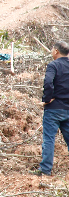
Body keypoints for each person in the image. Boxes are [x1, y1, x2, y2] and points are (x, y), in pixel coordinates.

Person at [37, 41, 69, 176]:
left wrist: (46, 99)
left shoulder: (53, 65)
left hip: (54, 108)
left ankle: (45, 169)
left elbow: (48, 83)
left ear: (56, 51)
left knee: (49, 139)